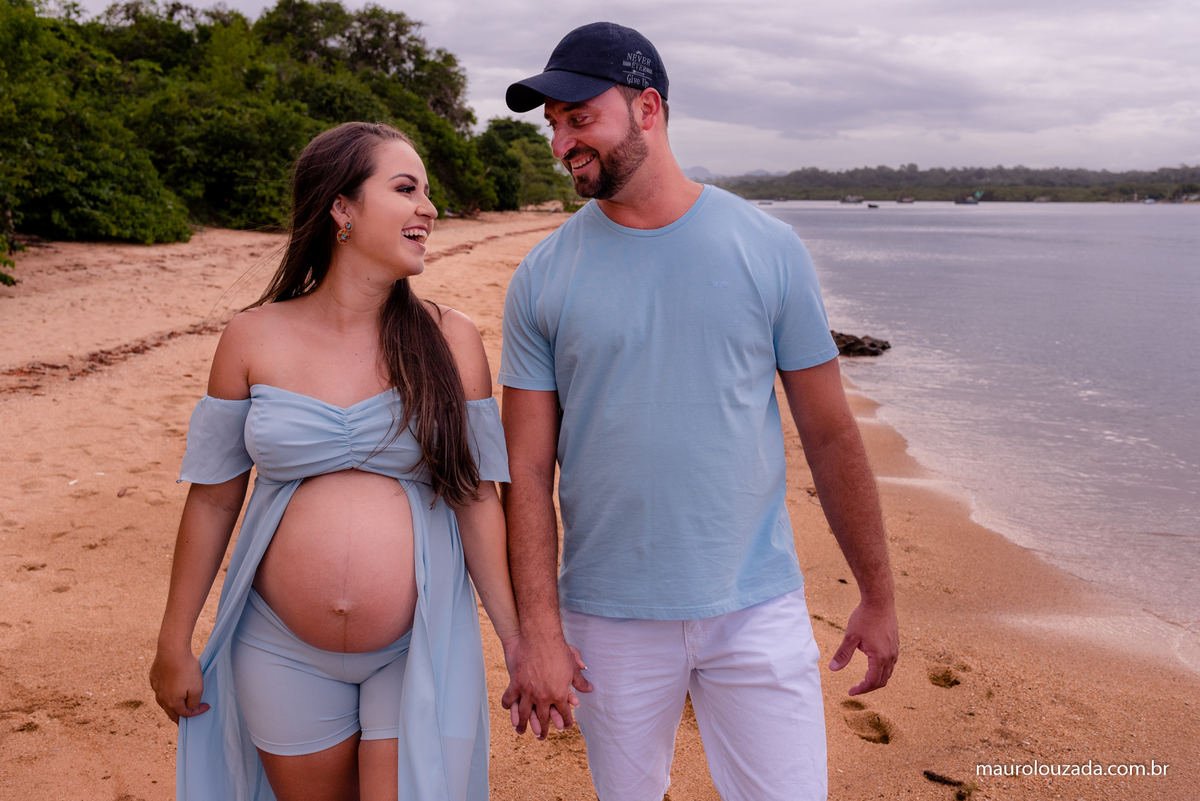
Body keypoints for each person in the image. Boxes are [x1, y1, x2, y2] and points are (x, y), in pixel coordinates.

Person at [497, 22, 899, 801]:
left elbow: (829, 432)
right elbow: (526, 468)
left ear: (647, 109)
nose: (562, 143)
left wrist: (877, 595)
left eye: (580, 117)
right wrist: (538, 630)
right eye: (553, 124)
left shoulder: (769, 247)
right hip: (606, 618)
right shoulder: (540, 278)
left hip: (756, 605)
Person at [149, 121, 521, 801]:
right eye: (405, 189)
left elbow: (475, 498)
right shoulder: (251, 336)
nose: (429, 208)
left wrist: (519, 641)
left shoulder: (450, 338)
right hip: (277, 645)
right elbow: (213, 496)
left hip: (417, 644)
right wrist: (174, 640)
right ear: (342, 208)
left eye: (427, 192)